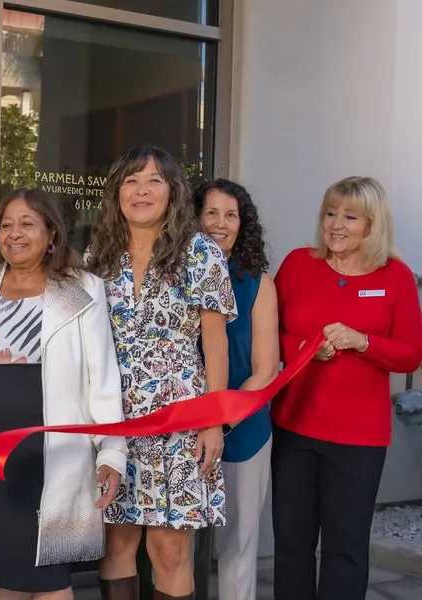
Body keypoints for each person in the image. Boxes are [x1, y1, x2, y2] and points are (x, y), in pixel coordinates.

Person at [0, 188, 128, 600]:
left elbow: (102, 378)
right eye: (7, 225)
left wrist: (111, 451)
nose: (14, 233)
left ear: (52, 233)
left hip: (53, 457)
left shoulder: (83, 289)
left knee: (51, 580)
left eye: (27, 224)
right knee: (5, 577)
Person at [88, 145, 236, 600]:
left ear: (173, 192)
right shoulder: (98, 255)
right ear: (117, 193)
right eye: (131, 180)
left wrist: (214, 420)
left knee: (169, 549)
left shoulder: (200, 252)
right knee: (116, 541)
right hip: (113, 419)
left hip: (180, 422)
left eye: (154, 180)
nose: (141, 190)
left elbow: (215, 342)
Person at [271, 176, 422, 600]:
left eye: (349, 216)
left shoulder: (396, 277)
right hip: (295, 428)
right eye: (330, 213)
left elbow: (411, 354)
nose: (335, 224)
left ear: (372, 225)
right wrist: (302, 347)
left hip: (358, 439)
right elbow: (268, 335)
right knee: (293, 545)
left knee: (346, 550)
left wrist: (364, 342)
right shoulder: (299, 264)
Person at [191, 179, 279, 600]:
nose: (220, 224)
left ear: (243, 225)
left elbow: (266, 368)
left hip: (241, 429)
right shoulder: (173, 276)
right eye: (211, 213)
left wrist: (222, 419)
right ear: (194, 217)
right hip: (177, 428)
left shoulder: (258, 284)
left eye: (231, 215)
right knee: (173, 543)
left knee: (237, 547)